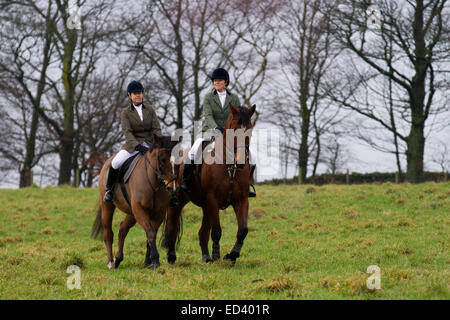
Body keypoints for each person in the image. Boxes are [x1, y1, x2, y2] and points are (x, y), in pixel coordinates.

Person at [179, 68, 256, 197]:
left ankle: (247, 184)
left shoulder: (234, 98)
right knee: (194, 149)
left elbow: (238, 116)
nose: (216, 82)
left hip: (230, 132)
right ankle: (186, 181)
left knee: (249, 154)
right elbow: (207, 115)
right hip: (210, 130)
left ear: (225, 82)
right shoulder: (208, 97)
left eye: (219, 80)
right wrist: (215, 127)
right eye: (214, 80)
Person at [103, 80, 162, 202]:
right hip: (132, 145)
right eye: (135, 93)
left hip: (151, 144)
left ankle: (171, 193)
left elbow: (156, 128)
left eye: (140, 93)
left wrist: (158, 142)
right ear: (129, 95)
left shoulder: (150, 110)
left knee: (165, 162)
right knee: (116, 162)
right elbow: (127, 132)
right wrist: (137, 146)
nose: (138, 95)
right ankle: (109, 189)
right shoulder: (126, 112)